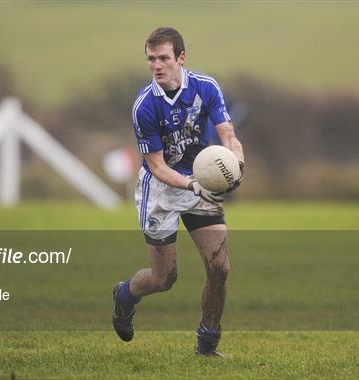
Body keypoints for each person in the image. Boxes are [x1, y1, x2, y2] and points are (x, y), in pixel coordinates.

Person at [112, 26, 245, 357]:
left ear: (181, 58)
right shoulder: (145, 106)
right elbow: (156, 165)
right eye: (151, 59)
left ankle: (207, 344)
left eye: (164, 58)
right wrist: (192, 184)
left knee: (220, 267)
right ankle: (125, 295)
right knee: (164, 278)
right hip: (160, 191)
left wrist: (237, 162)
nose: (157, 65)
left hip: (199, 182)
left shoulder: (206, 88)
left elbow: (227, 134)